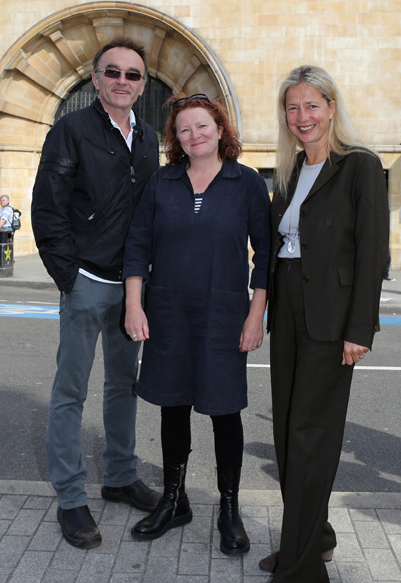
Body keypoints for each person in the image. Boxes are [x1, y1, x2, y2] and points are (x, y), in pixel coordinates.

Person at [240, 66, 389, 583]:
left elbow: (373, 253)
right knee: (286, 434)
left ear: (331, 107)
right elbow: (278, 249)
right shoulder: (290, 170)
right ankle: (315, 537)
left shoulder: (360, 167)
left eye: (311, 106)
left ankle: (301, 574)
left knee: (310, 440)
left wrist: (359, 329)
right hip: (292, 315)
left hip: (333, 322)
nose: (302, 118)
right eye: (292, 109)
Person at [122, 95, 270, 555]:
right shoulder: (161, 182)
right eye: (184, 130)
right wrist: (134, 305)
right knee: (172, 406)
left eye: (202, 126)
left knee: (225, 412)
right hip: (168, 311)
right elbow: (137, 246)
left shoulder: (245, 182)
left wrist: (255, 315)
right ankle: (174, 500)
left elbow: (265, 255)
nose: (194, 136)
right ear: (175, 138)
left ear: (221, 129)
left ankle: (229, 509)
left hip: (224, 315)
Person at [31, 37, 161, 550]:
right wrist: (70, 279)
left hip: (132, 287)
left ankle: (121, 475)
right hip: (86, 281)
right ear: (95, 79)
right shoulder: (72, 130)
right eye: (113, 73)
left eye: (132, 75)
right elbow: (48, 209)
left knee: (123, 386)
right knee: (71, 392)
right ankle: (69, 496)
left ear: (143, 84)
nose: (122, 81)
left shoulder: (149, 136)